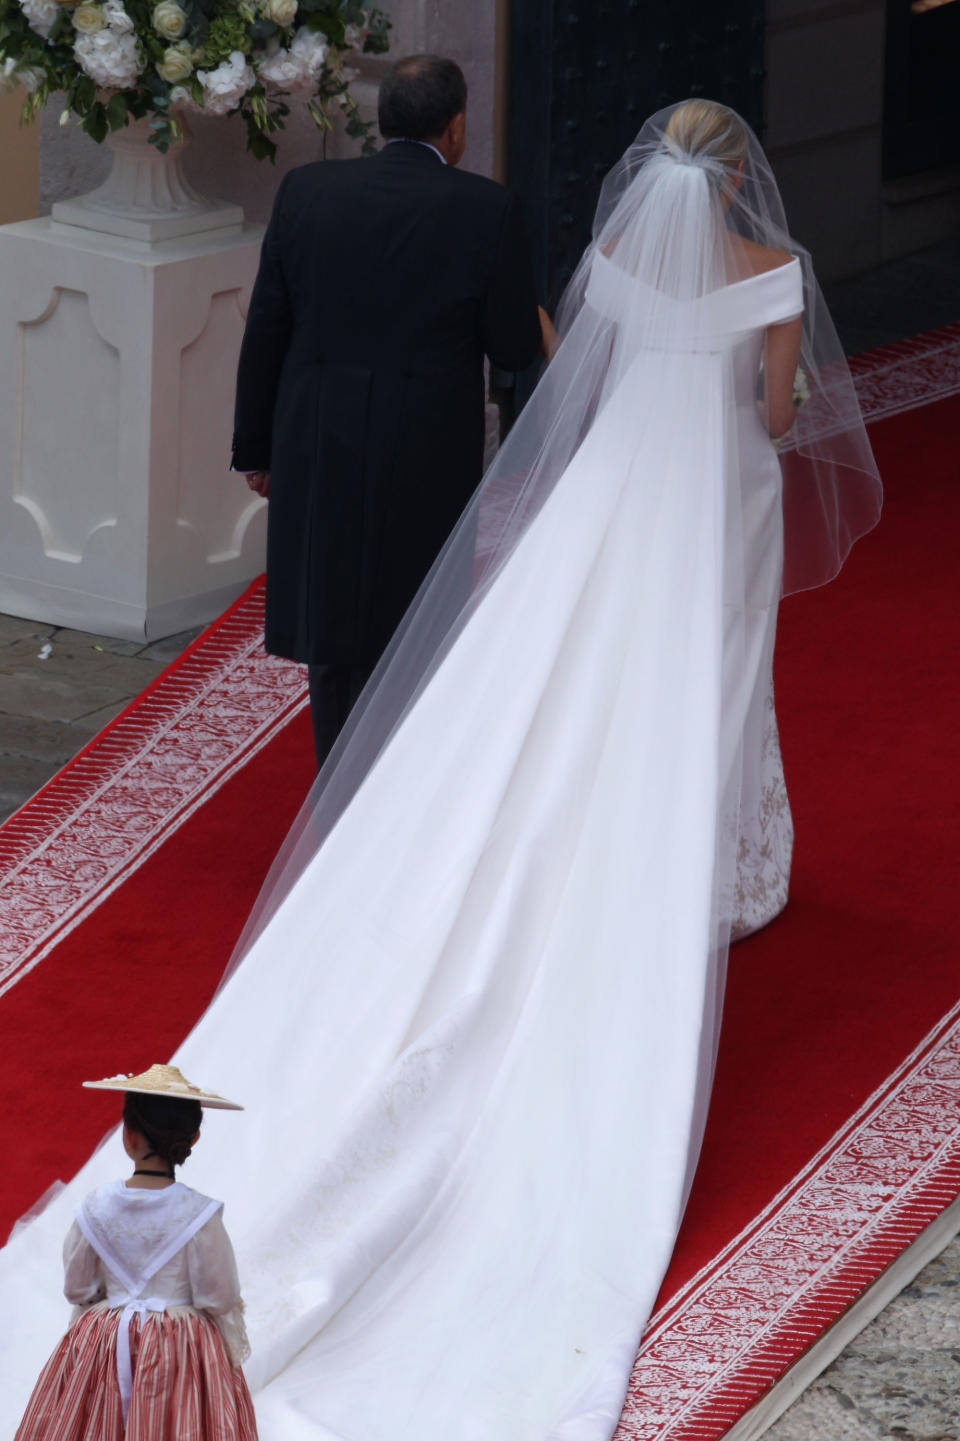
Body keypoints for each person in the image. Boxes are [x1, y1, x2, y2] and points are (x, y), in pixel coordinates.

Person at [0, 102, 881, 1441]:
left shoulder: (619, 266)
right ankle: (712, 860)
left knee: (563, 686)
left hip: (608, 501)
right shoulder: (775, 277)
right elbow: (772, 407)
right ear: (744, 174)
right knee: (704, 683)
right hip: (711, 496)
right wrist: (769, 387)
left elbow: (563, 378)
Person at [232, 53, 544, 767]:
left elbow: (267, 328)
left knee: (334, 630)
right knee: (419, 625)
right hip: (426, 447)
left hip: (318, 437)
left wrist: (257, 448)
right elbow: (514, 347)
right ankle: (405, 793)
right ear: (457, 128)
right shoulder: (487, 208)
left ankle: (335, 788)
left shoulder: (306, 190)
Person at [13, 1065, 256, 1441]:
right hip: (181, 1350)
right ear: (193, 1139)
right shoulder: (200, 1214)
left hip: (107, 1343)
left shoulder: (95, 1207)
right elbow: (218, 1296)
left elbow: (77, 1290)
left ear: (128, 1136)